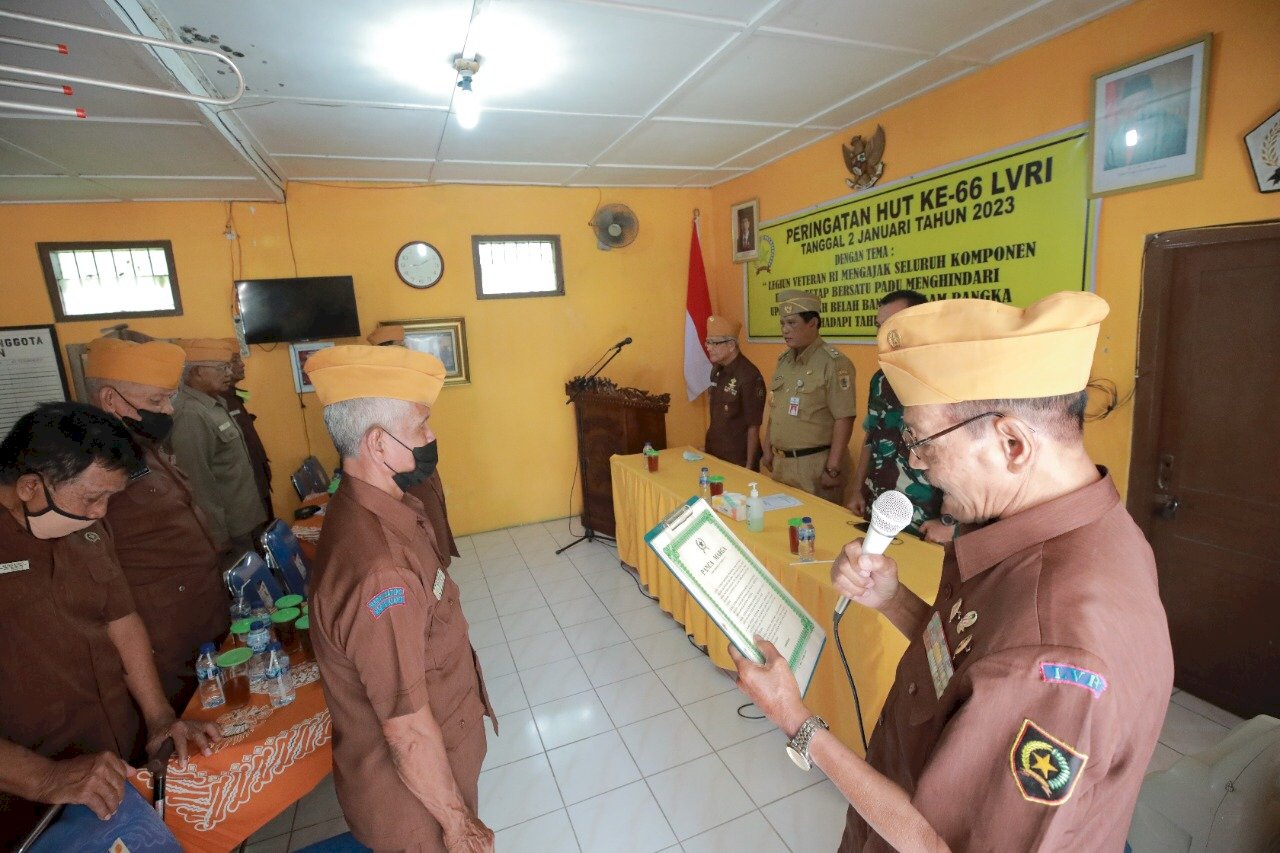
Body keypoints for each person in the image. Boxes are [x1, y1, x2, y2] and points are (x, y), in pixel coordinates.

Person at [730, 292, 1173, 851]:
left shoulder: (1053, 656)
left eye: (922, 440)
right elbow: (972, 663)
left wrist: (797, 722)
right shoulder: (1077, 529)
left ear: (1012, 443)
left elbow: (938, 843)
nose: (914, 461)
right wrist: (893, 599)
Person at [0, 403, 218, 847]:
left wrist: (159, 717)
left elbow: (122, 620)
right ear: (29, 486)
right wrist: (44, 779)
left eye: (108, 499)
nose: (101, 512)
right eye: (92, 497)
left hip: (120, 761)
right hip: (31, 803)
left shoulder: (82, 527)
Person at [305, 345, 495, 852]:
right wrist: (459, 827)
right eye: (420, 426)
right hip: (417, 811)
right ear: (379, 445)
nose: (431, 437)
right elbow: (407, 730)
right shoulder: (381, 571)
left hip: (437, 770)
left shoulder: (385, 508)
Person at [85, 337, 231, 711]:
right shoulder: (92, 468)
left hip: (203, 619)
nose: (167, 409)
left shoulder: (143, 446)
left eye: (168, 398)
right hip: (163, 639)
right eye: (154, 401)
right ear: (110, 401)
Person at [848, 290, 953, 544]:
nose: (883, 336)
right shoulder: (881, 380)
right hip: (879, 512)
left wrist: (951, 523)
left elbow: (963, 457)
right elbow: (871, 437)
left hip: (925, 522)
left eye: (892, 326)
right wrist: (856, 489)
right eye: (879, 327)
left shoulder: (948, 382)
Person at [365, 324, 461, 566]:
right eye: (402, 348)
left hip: (418, 465)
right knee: (421, 528)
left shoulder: (402, 383)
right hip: (404, 471)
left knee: (432, 522)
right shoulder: (377, 389)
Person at [169, 338, 267, 556]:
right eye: (221, 368)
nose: (229, 373)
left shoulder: (215, 404)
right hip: (229, 531)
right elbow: (197, 482)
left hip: (245, 520)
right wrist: (217, 535)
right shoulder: (190, 414)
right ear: (196, 372)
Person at [760, 289, 858, 502]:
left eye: (792, 323)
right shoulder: (784, 361)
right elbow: (776, 408)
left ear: (812, 323)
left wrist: (832, 468)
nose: (785, 330)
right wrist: (767, 447)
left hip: (814, 466)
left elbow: (844, 418)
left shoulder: (834, 364)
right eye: (783, 324)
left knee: (815, 531)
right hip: (781, 464)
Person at [704, 314, 766, 470]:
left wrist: (750, 465)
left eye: (714, 343)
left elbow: (753, 426)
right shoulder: (717, 370)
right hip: (715, 454)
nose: (708, 347)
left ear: (731, 345)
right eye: (708, 342)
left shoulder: (749, 376)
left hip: (737, 459)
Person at [222, 340, 274, 521]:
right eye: (235, 360)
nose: (242, 364)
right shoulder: (218, 402)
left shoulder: (233, 396)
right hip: (245, 494)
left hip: (259, 483)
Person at [1103, 72, 1188, 170]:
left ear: (1152, 99)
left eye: (1141, 100)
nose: (1136, 106)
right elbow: (1108, 166)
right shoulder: (1118, 134)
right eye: (1131, 102)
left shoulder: (1173, 125)